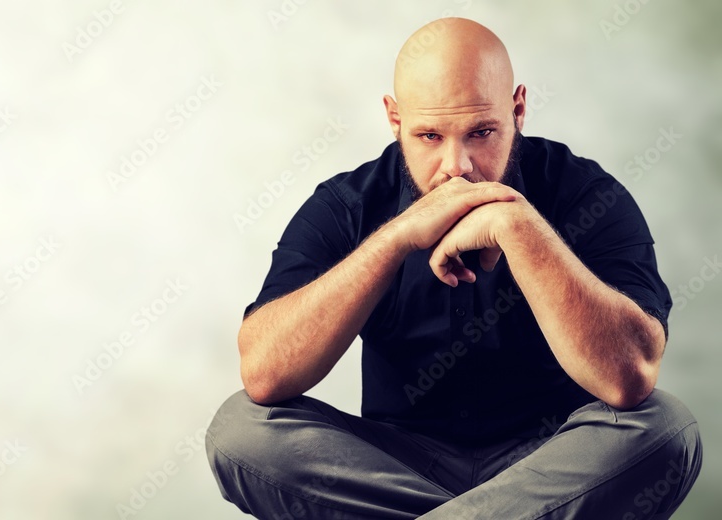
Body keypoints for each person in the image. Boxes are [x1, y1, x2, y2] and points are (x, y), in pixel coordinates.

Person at [205, 17, 702, 519]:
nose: (456, 166)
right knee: (239, 433)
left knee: (666, 430)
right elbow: (265, 375)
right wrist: (396, 236)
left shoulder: (587, 195)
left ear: (518, 108)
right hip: (394, 467)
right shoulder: (347, 205)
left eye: (481, 132)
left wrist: (518, 227)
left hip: (554, 462)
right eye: (429, 136)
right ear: (395, 120)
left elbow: (630, 378)